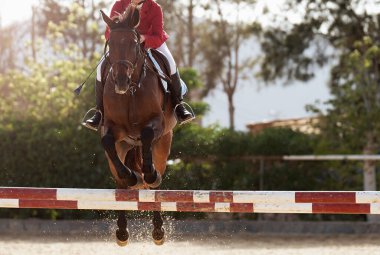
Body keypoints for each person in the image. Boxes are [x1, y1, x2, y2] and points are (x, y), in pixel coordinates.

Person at [84, 0, 195, 131]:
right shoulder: (119, 4)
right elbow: (109, 32)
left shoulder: (154, 7)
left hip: (150, 42)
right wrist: (119, 37)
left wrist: (144, 38)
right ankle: (99, 112)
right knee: (100, 67)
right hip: (124, 45)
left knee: (171, 63)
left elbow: (158, 35)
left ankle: (179, 105)